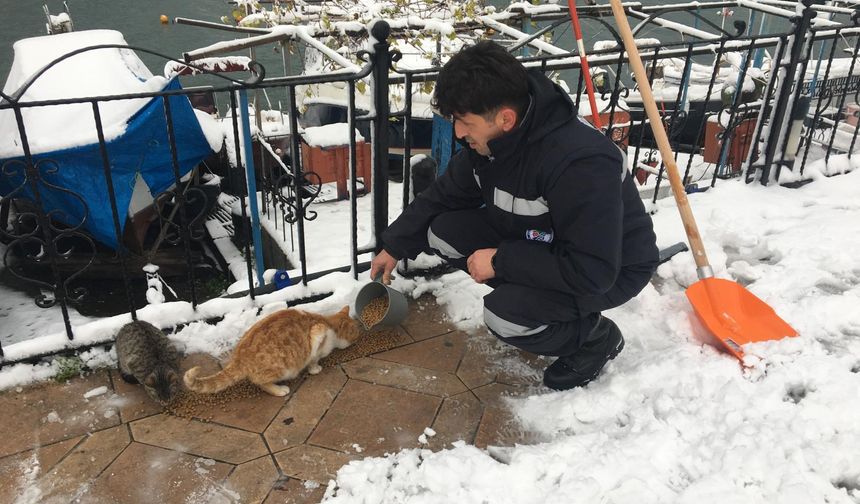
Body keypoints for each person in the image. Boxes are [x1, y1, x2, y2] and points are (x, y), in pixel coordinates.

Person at [369, 41, 659, 391]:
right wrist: (394, 245)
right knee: (441, 229)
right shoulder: (489, 144)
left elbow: (592, 270)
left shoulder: (581, 163)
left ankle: (595, 338)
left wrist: (502, 261)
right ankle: (530, 300)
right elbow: (442, 195)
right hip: (538, 240)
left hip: (609, 267)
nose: (458, 132)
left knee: (505, 316)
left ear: (505, 118)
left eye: (464, 122)